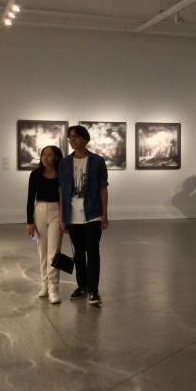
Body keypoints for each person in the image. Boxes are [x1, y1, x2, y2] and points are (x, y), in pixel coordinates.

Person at [59, 125, 109, 306]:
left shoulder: (97, 161)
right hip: (72, 215)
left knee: (93, 251)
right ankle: (82, 286)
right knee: (78, 253)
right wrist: (62, 217)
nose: (72, 140)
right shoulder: (64, 163)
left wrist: (104, 213)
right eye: (70, 137)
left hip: (92, 213)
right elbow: (62, 191)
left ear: (85, 139)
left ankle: (93, 290)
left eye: (76, 137)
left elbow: (103, 187)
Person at [26, 145, 64, 304]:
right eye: (43, 154)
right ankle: (44, 286)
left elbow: (63, 197)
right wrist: (30, 221)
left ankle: (54, 289)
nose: (45, 157)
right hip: (40, 209)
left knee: (54, 252)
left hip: (57, 211)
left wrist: (64, 219)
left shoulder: (62, 174)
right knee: (42, 251)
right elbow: (30, 198)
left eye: (49, 155)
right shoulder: (35, 174)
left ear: (56, 157)